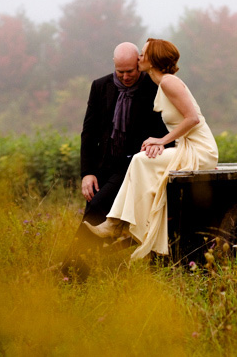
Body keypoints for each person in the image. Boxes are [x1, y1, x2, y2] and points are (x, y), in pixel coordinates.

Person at [84, 38, 219, 260]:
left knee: (139, 160)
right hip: (187, 146)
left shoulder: (168, 82)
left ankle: (118, 224)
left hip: (200, 149)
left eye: (143, 53)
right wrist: (159, 144)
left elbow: (193, 119)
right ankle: (123, 223)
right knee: (142, 161)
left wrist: (161, 141)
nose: (139, 57)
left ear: (152, 59)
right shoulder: (160, 83)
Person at [61, 42, 169, 278]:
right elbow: (88, 132)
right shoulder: (100, 86)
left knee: (98, 209)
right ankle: (80, 271)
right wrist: (87, 173)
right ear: (114, 66)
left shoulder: (153, 87)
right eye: (121, 72)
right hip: (103, 165)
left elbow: (164, 128)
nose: (126, 76)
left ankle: (69, 272)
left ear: (139, 65)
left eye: (131, 71)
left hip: (134, 165)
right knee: (93, 212)